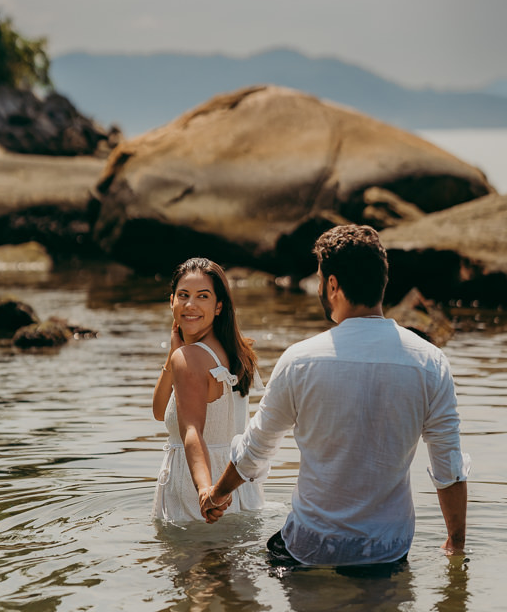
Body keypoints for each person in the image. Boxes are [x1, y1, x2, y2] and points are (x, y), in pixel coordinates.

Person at [200, 225, 470, 570]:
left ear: (331, 285)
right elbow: (449, 467)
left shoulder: (300, 360)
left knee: (221, 571)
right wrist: (455, 543)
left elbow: (256, 449)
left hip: (310, 547)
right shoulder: (430, 362)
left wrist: (217, 494)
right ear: (381, 283)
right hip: (386, 549)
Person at [151, 257, 265, 524]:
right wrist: (173, 354)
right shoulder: (236, 353)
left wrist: (204, 490)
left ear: (218, 307)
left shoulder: (191, 357)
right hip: (237, 486)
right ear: (172, 302)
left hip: (199, 493)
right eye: (183, 295)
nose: (190, 305)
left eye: (203, 296)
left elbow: (192, 430)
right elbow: (159, 412)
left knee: (190, 565)